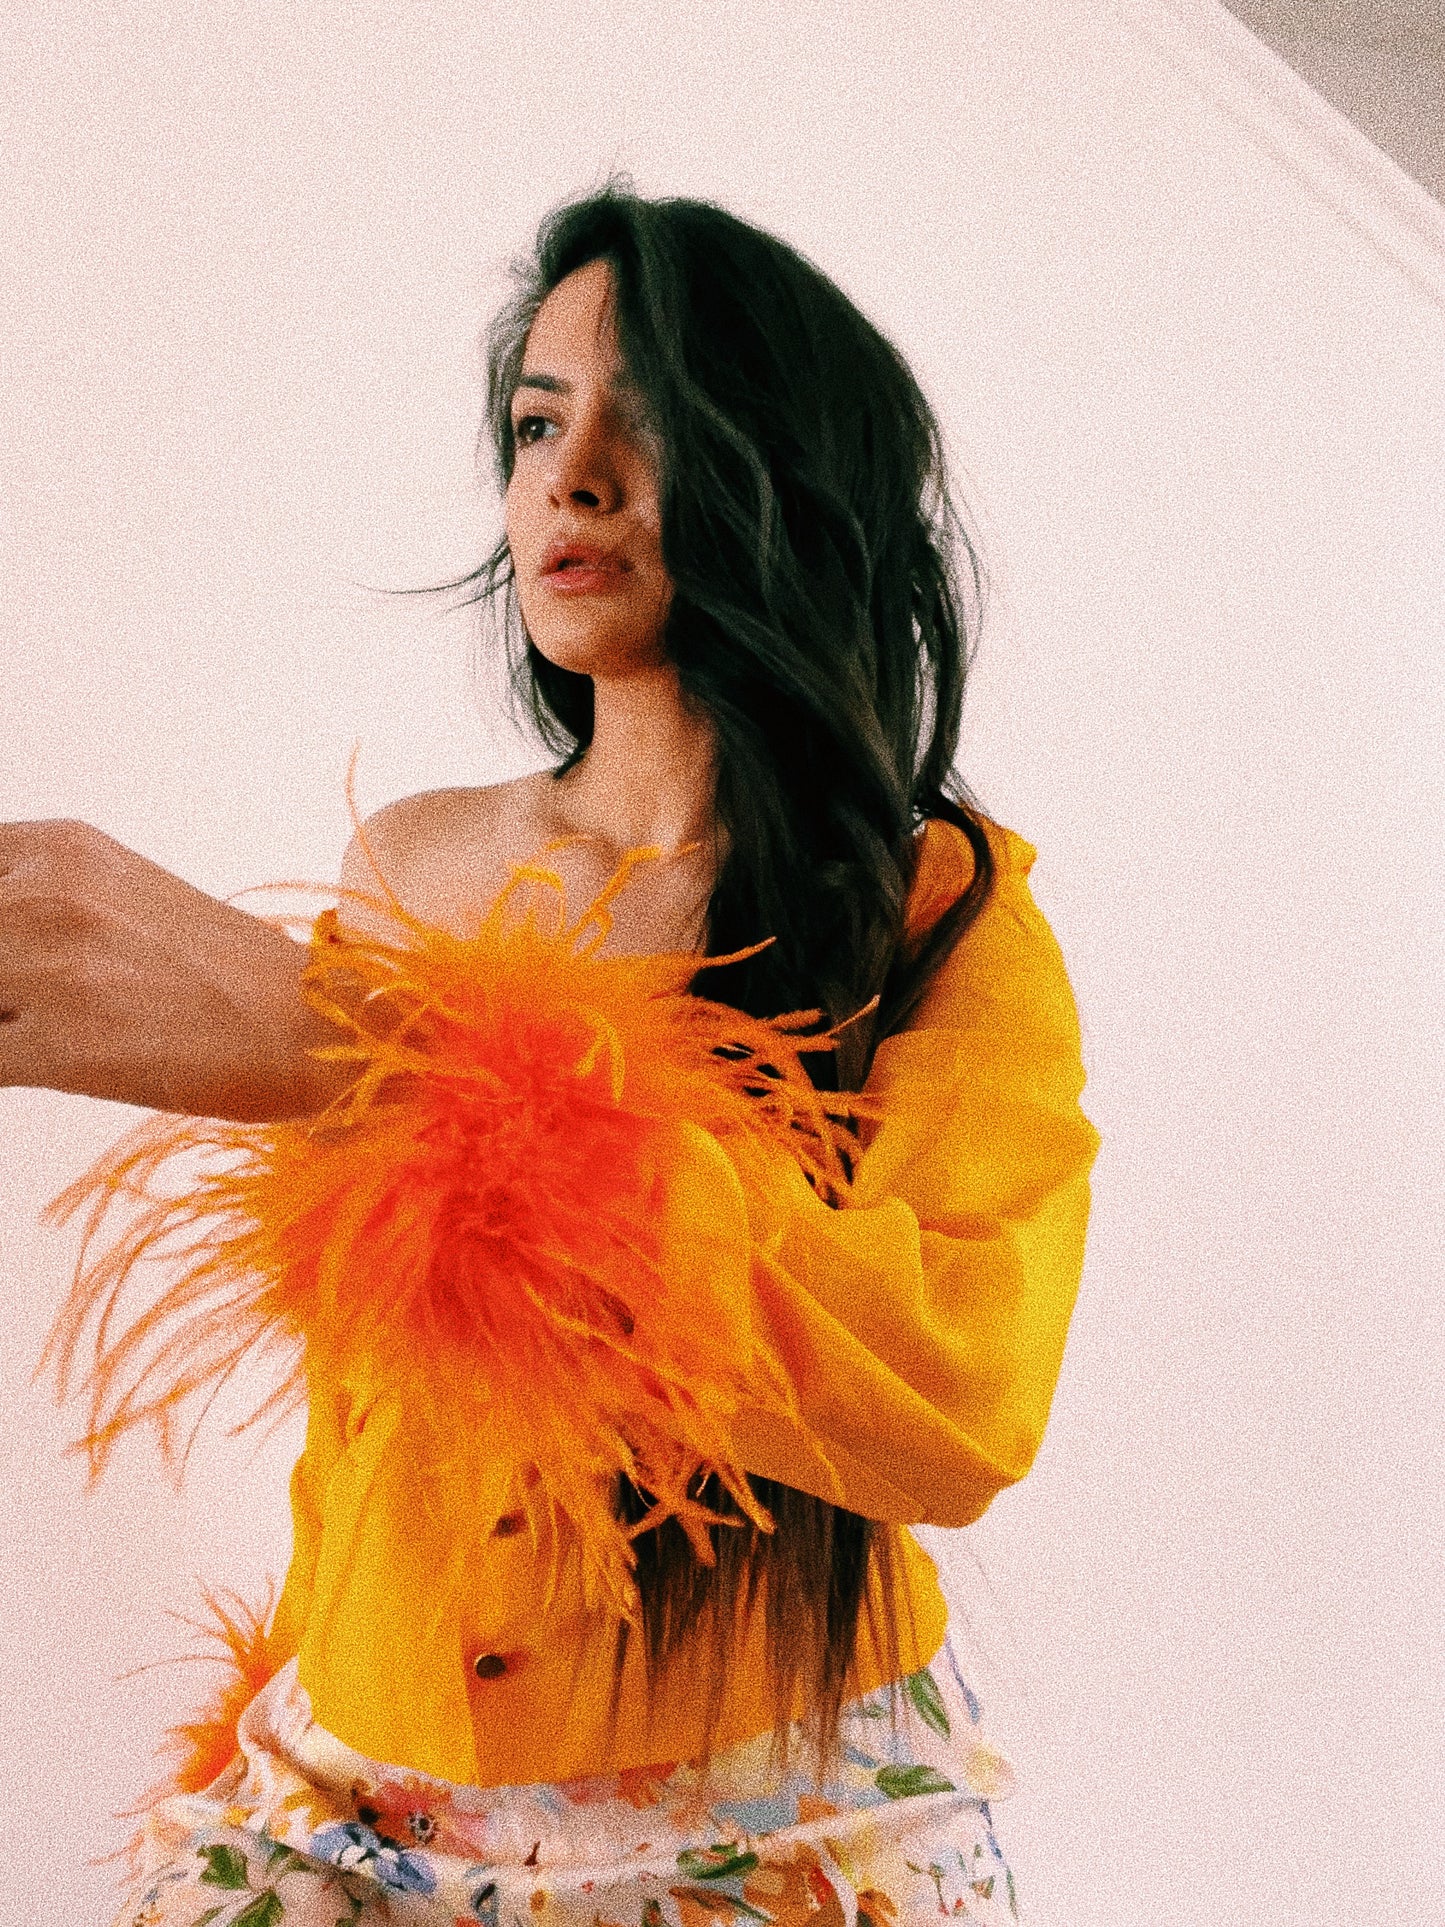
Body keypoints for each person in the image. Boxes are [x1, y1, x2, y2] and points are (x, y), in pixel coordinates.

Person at [8, 185, 1099, 1927]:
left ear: (784, 468)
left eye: (645, 419)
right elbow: (386, 1401)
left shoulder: (932, 916)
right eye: (536, 421)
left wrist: (391, 1053)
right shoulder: (411, 864)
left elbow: (955, 1395)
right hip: (344, 1795)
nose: (568, 475)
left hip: (775, 1816)